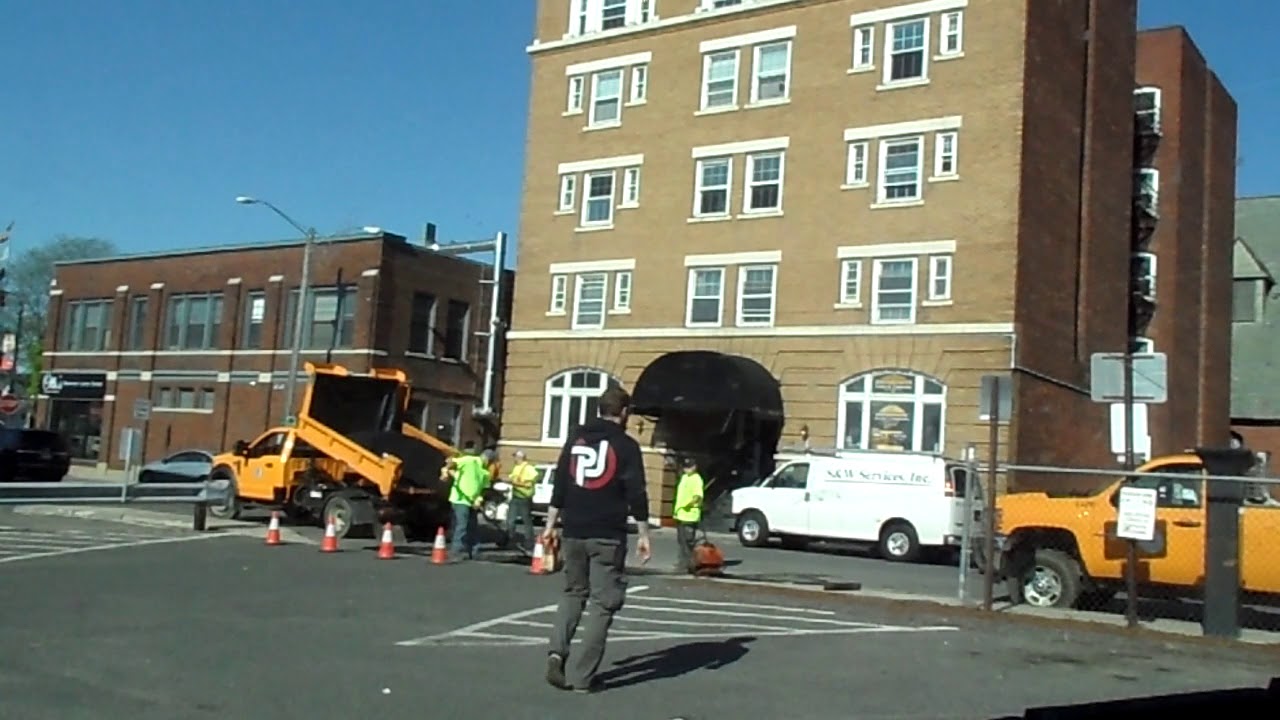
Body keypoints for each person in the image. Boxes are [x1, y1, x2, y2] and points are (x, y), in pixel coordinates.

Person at [543, 385, 652, 694]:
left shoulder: (575, 439)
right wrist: (644, 533)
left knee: (573, 593)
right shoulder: (626, 446)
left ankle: (556, 653)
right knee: (603, 604)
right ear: (624, 412)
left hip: (573, 529)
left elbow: (560, 485)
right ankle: (582, 677)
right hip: (607, 534)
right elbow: (636, 493)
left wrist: (551, 525)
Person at [447, 441, 490, 562]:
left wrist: (479, 499)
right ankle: (456, 551)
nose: (486, 461)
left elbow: (483, 489)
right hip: (460, 499)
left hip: (472, 501)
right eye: (486, 458)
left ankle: (474, 551)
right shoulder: (470, 461)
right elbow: (451, 462)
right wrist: (447, 469)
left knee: (473, 526)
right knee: (462, 525)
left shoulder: (485, 473)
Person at [673, 456, 705, 574]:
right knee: (681, 541)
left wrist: (689, 504)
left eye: (689, 467)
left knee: (687, 542)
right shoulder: (684, 478)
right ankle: (682, 563)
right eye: (686, 467)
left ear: (695, 467)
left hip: (690, 515)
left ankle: (689, 565)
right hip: (681, 515)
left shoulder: (696, 479)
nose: (687, 470)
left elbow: (697, 496)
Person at [505, 450, 539, 551]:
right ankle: (511, 540)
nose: (514, 459)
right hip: (516, 497)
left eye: (515, 457)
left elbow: (529, 484)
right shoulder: (516, 468)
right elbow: (512, 478)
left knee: (526, 521)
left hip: (525, 498)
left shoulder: (529, 469)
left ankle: (529, 542)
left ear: (520, 458)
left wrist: (516, 483)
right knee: (510, 520)